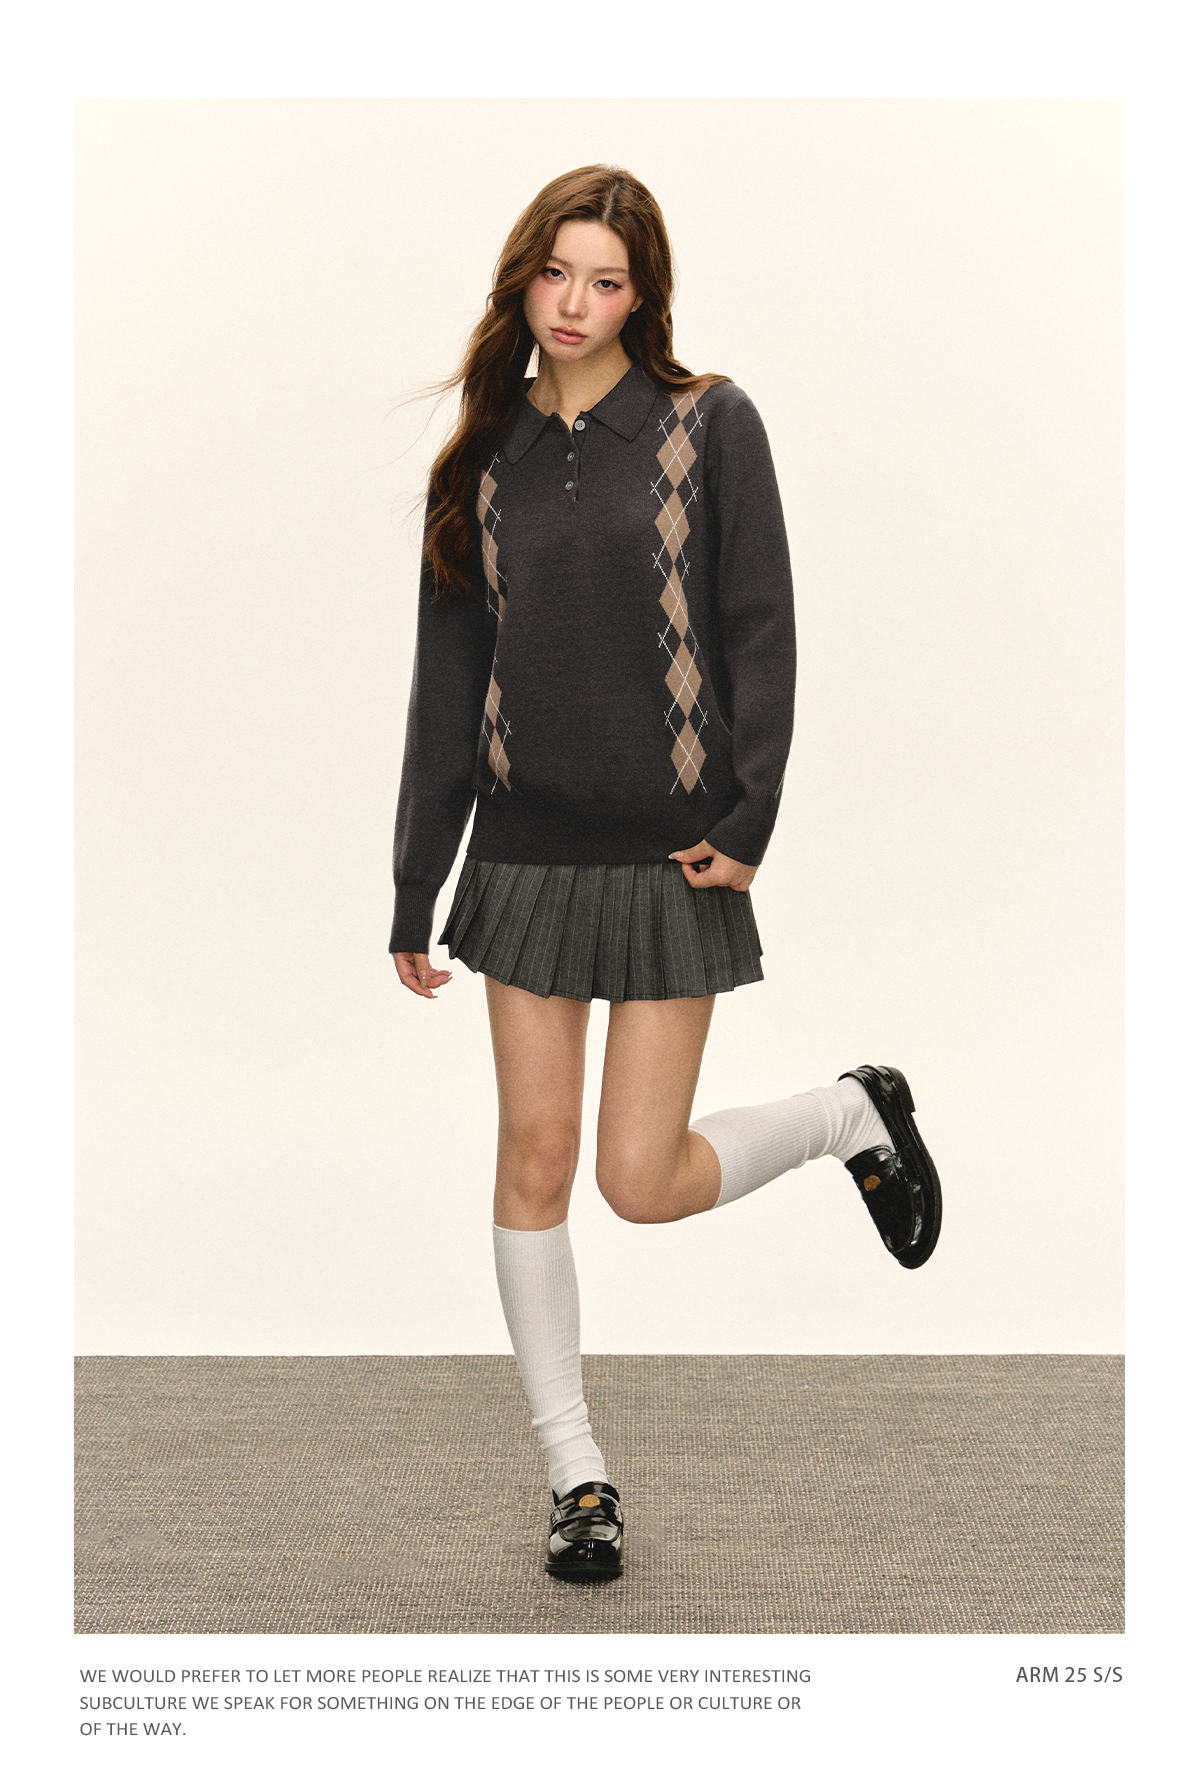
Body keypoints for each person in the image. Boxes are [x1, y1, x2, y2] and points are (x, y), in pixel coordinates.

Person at [389, 164, 941, 1583]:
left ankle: (847, 1113)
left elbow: (762, 625)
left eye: (607, 280)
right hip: (524, 853)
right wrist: (414, 883)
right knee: (533, 1156)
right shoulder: (482, 455)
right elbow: (446, 685)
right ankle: (576, 1473)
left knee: (640, 1178)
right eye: (555, 273)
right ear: (522, 275)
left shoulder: (710, 424)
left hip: (673, 856)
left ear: (645, 296)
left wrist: (750, 819)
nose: (574, 303)